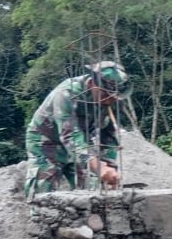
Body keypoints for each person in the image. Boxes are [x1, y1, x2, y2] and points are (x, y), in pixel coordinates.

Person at [24, 60, 130, 198]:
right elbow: (70, 135)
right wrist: (97, 166)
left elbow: (108, 135)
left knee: (95, 188)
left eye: (114, 97)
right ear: (92, 84)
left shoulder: (108, 101)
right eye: (106, 95)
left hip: (81, 139)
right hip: (46, 142)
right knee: (42, 191)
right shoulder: (66, 93)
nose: (110, 101)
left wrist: (109, 168)